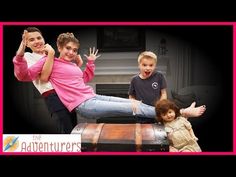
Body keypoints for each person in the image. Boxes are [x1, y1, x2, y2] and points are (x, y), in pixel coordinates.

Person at [13, 32, 206, 121]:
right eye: (68, 49)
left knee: (136, 104)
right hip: (85, 105)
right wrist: (21, 51)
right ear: (60, 48)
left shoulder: (71, 64)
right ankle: (183, 113)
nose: (71, 52)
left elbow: (84, 80)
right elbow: (23, 75)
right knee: (134, 109)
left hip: (92, 96)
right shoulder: (49, 61)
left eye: (74, 49)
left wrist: (89, 63)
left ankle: (175, 112)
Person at [13, 27, 82, 134]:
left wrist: (77, 64)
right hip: (53, 95)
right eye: (31, 40)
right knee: (66, 129)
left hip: (67, 94)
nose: (36, 41)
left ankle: (77, 149)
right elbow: (22, 75)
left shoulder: (51, 54)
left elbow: (64, 74)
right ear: (26, 44)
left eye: (39, 38)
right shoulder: (28, 56)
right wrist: (21, 47)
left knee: (74, 128)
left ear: (43, 39)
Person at [128, 51, 167, 123]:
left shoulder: (159, 76)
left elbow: (164, 93)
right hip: (141, 113)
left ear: (155, 66)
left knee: (156, 132)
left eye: (151, 65)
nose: (148, 68)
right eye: (144, 65)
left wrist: (161, 105)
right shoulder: (134, 79)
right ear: (139, 65)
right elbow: (131, 96)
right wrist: (133, 102)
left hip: (156, 111)